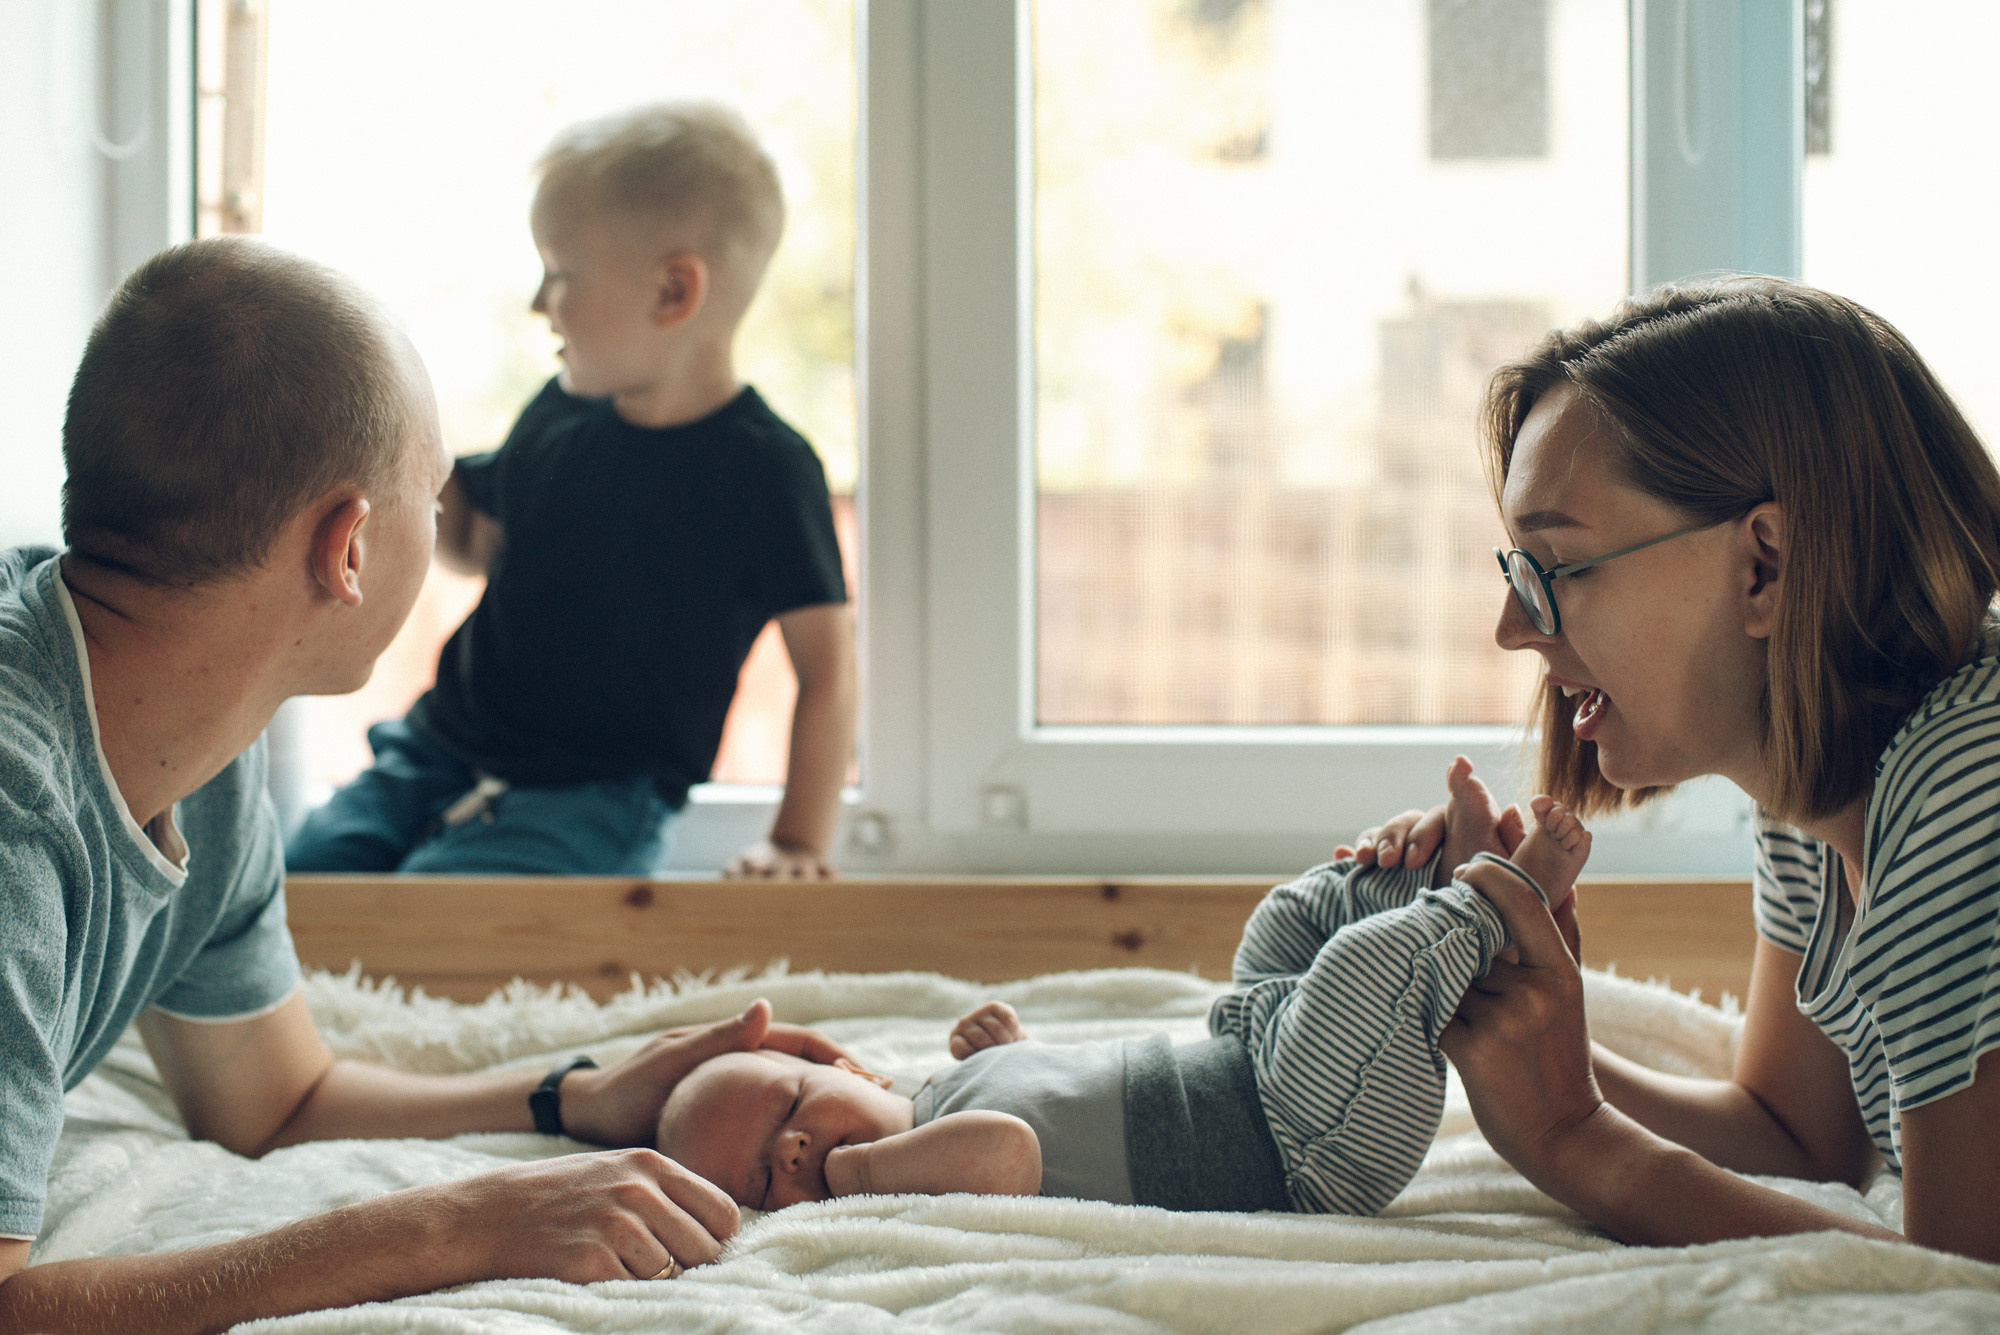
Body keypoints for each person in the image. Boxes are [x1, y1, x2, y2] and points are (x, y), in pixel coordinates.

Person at [0, 235, 853, 1333]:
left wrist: (572, 1096)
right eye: (434, 491)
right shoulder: (19, 807)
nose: (444, 518)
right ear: (346, 548)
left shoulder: (193, 747)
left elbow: (271, 1100)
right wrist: (447, 1231)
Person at [1353, 276, 2000, 1263]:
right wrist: (1515, 1001)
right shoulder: (1815, 788)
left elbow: (1959, 1278)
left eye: (1555, 568)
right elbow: (1795, 1136)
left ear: (1764, 565)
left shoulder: (1965, 790)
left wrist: (1570, 1141)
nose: (1510, 628)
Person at [286, 101, 855, 879]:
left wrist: (797, 842)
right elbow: (474, 540)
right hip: (438, 751)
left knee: (433, 913)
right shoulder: (557, 411)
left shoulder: (768, 470)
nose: (537, 303)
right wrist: (385, 462)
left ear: (672, 292)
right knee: (304, 879)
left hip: (593, 799)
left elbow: (826, 672)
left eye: (559, 273)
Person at [654, 777, 1592, 1215]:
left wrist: (1011, 1044)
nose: (796, 1151)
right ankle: (1496, 901)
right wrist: (858, 1175)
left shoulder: (937, 1093)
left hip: (1248, 1054)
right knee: (1355, 979)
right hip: (1305, 1146)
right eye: (757, 1180)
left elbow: (1048, 1095)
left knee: (1282, 924)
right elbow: (1011, 1151)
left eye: (789, 1108)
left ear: (847, 1066)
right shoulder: (907, 1171)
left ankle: (1419, 888)